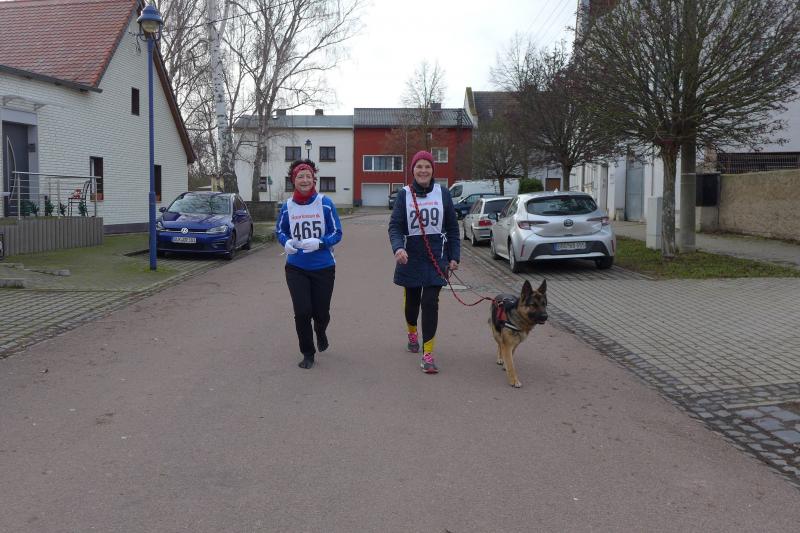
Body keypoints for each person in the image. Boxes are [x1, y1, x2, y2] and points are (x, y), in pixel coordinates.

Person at [388, 150, 460, 374]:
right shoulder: (404, 195)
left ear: (432, 170)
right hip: (410, 255)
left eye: (427, 166)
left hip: (435, 256)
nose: (423, 170)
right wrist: (398, 248)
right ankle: (412, 333)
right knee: (412, 302)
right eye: (419, 166)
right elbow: (395, 226)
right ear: (413, 170)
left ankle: (428, 354)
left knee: (430, 302)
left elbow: (452, 227)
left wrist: (454, 256)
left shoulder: (443, 193)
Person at [276, 159, 342, 369]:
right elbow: (280, 230)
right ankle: (307, 352)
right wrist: (286, 242)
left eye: (308, 176)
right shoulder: (287, 206)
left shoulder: (325, 203)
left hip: (323, 267)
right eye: (300, 176)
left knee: (321, 313)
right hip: (296, 268)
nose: (304, 180)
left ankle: (320, 330)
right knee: (302, 311)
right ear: (293, 180)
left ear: (314, 179)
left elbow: (337, 232)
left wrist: (320, 243)